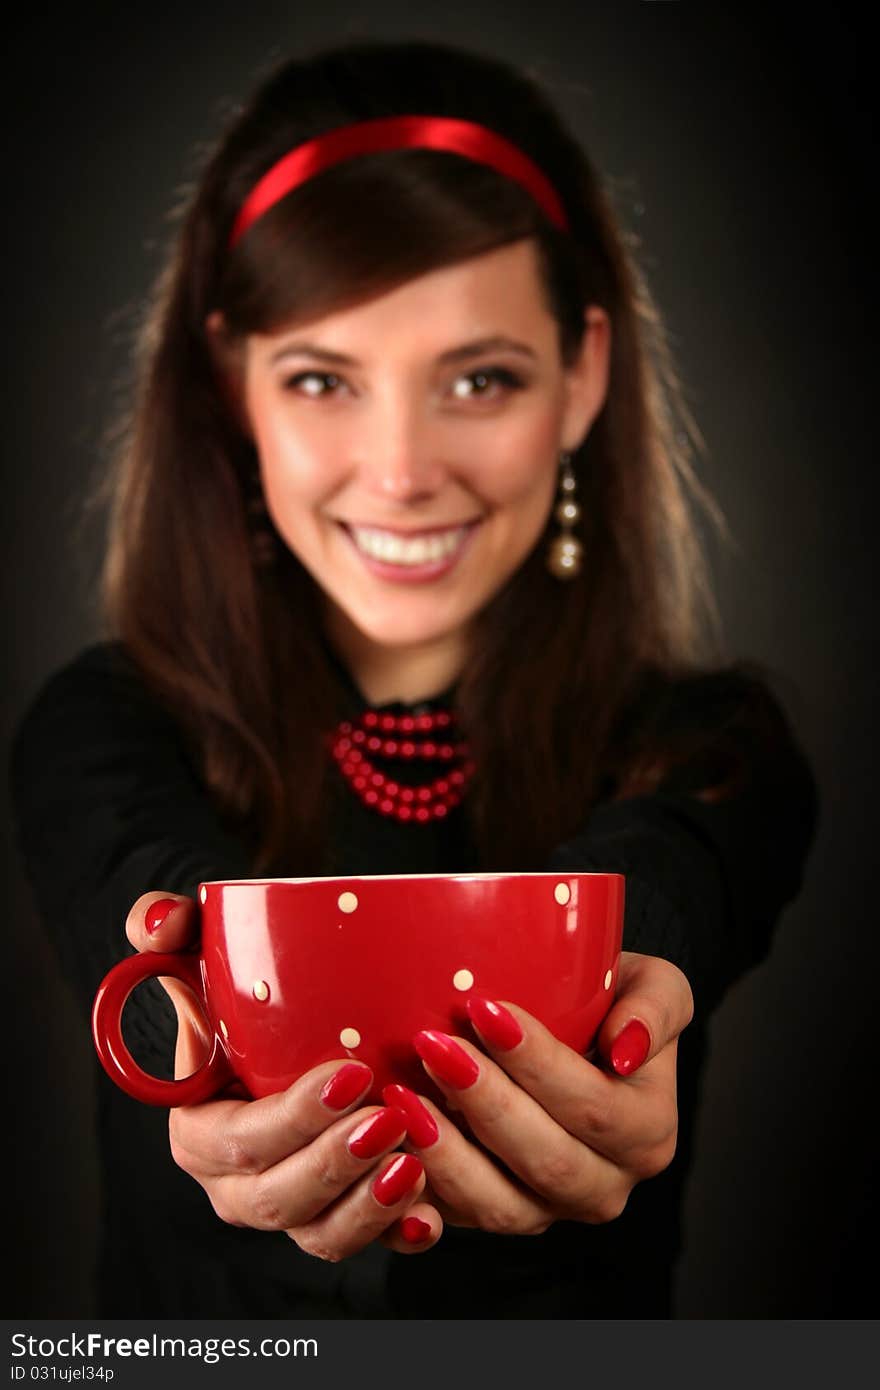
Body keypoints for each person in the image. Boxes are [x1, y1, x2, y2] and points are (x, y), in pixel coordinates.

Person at [10, 38, 817, 1319]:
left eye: (480, 378)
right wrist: (206, 1045)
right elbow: (157, 920)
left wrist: (626, 1003)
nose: (399, 470)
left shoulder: (713, 747)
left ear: (582, 376)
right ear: (235, 394)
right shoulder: (101, 729)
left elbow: (669, 880)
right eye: (323, 379)